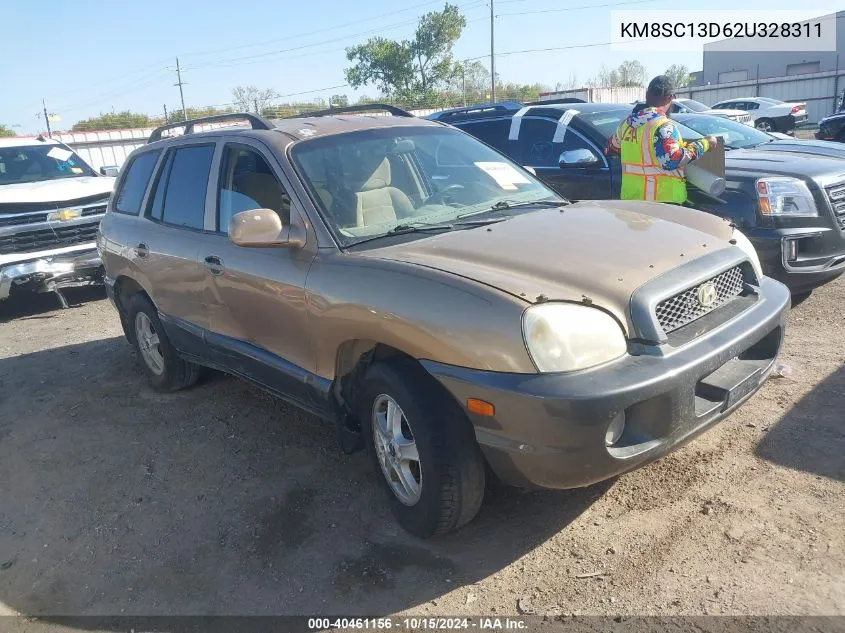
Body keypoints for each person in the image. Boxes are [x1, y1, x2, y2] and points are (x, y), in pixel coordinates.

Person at [607, 75, 719, 203]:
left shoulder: (626, 124)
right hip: (661, 202)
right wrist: (705, 144)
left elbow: (612, 148)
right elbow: (672, 160)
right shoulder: (663, 126)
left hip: (632, 199)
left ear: (647, 94)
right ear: (670, 98)